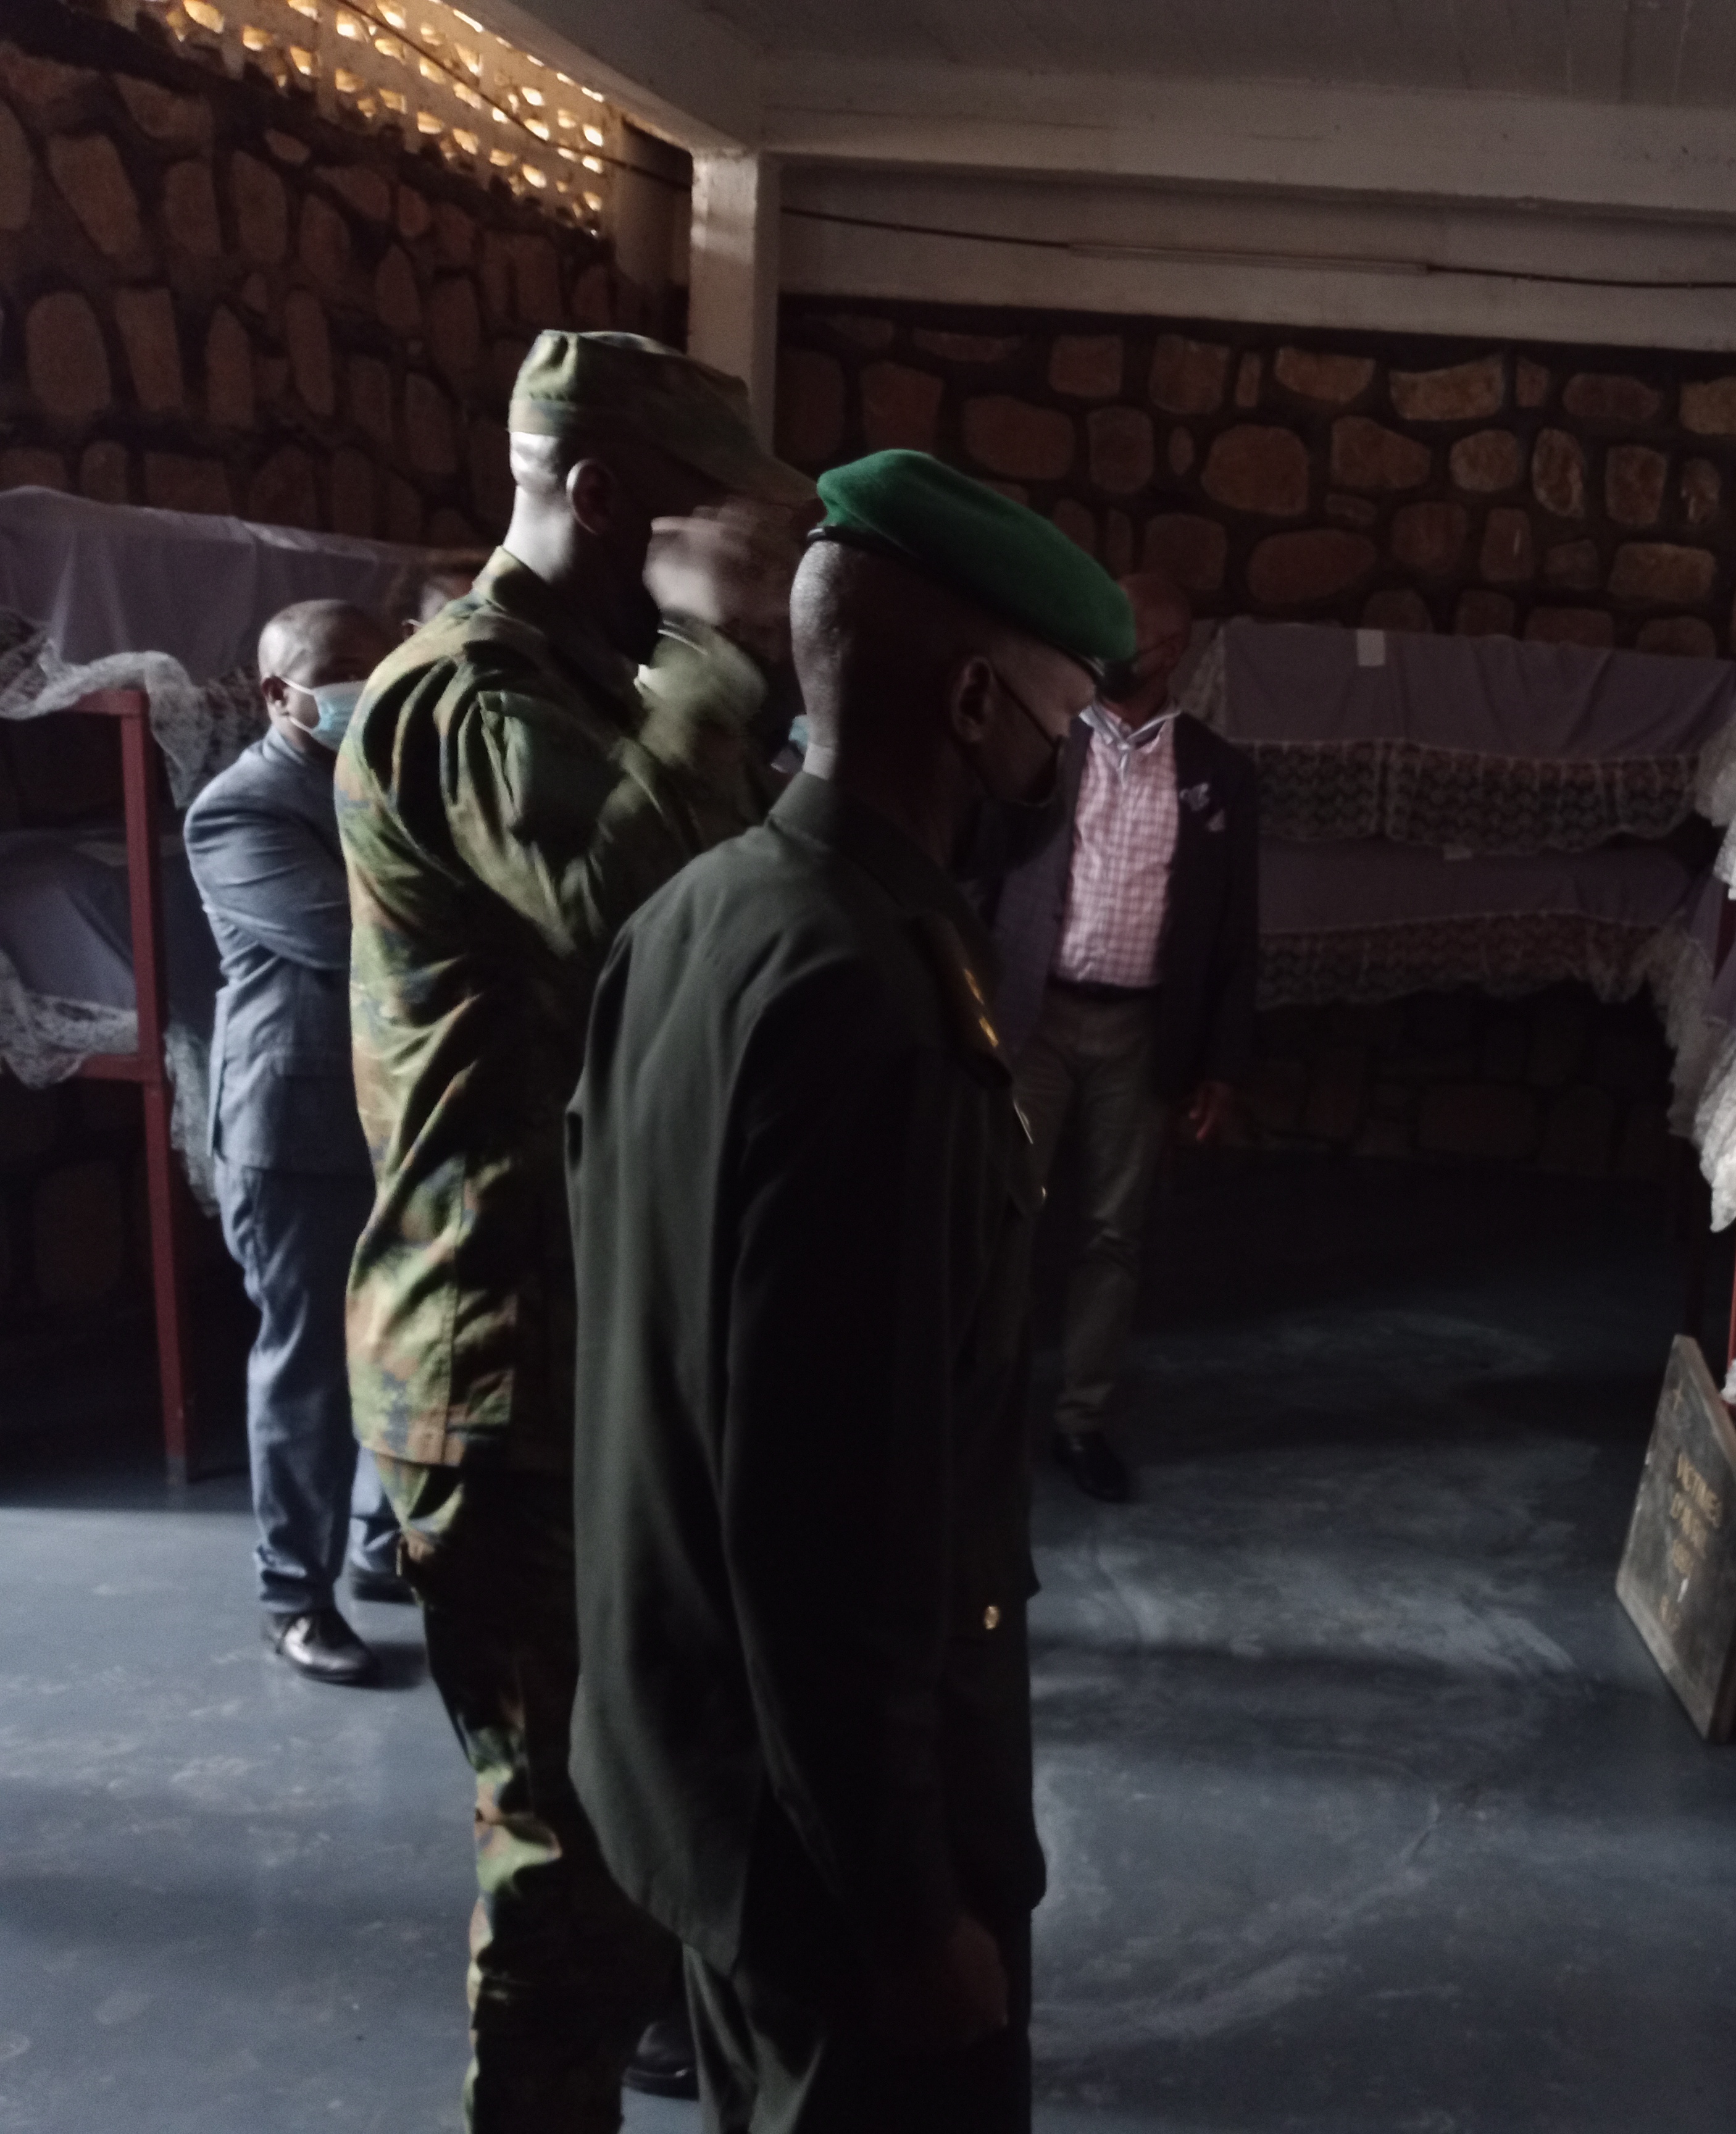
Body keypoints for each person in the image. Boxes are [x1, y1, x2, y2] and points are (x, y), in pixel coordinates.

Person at [568, 449, 1132, 2132]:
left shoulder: (702, 912)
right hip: (831, 1831)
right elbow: (835, 1527)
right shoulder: (878, 1001)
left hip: (698, 1758)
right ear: (970, 705)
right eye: (1063, 724)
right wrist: (908, 1908)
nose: (1067, 770)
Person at [335, 329, 811, 2130]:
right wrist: (716, 652)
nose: (749, 558)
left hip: (602, 1345)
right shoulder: (460, 697)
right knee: (559, 1844)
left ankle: (636, 2025)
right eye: (714, 518)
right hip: (499, 1358)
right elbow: (628, 907)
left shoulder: (591, 690)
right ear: (608, 499)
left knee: (648, 1789)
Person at [986, 570, 1258, 1503]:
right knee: (1000, 1217)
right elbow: (983, 875)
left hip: (1141, 1036)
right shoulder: (1041, 741)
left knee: (1114, 1234)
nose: (1104, 642)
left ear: (1172, 650)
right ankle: (981, 1410)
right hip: (1032, 1020)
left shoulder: (1219, 774)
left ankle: (1081, 1421)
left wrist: (1221, 1067)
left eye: (1125, 629)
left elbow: (1235, 931)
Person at [185, 598, 407, 1686]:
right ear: (281, 694)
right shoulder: (241, 810)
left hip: (396, 1117)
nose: (372, 685)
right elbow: (357, 941)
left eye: (383, 663)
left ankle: (380, 1546)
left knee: (403, 1346)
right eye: (346, 670)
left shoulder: (391, 781)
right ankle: (295, 1599)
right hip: (297, 1127)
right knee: (310, 1367)